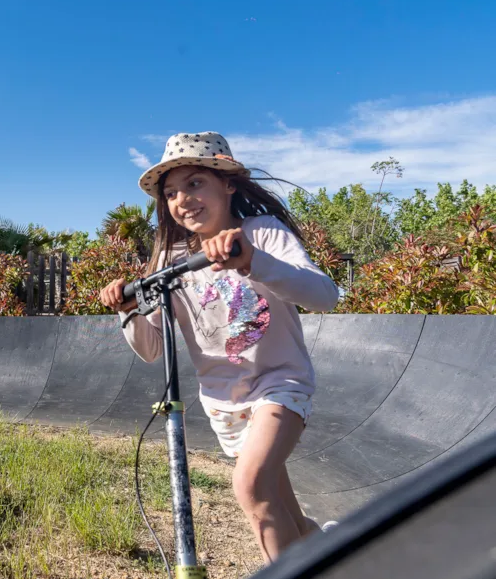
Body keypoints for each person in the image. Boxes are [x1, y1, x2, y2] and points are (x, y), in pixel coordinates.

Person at [100, 131, 340, 564]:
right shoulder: (168, 262)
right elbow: (152, 348)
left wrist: (252, 260)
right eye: (171, 193)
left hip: (278, 384)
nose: (182, 200)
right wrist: (128, 311)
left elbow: (324, 295)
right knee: (287, 513)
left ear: (227, 184)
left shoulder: (261, 233)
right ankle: (325, 546)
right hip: (223, 403)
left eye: (195, 184)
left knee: (250, 485)